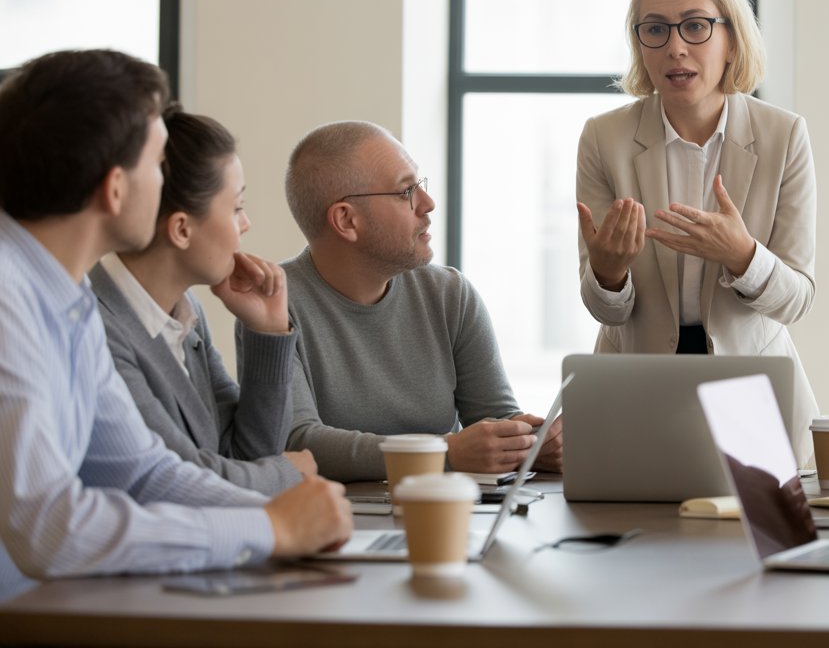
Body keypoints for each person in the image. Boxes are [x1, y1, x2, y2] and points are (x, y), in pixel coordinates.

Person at [0, 49, 350, 603]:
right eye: (156, 162)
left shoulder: (68, 301)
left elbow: (142, 472)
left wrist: (282, 515)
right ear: (115, 189)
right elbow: (51, 529)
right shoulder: (7, 299)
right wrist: (271, 528)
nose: (165, 184)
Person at [575, 0, 818, 464]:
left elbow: (795, 300)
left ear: (731, 40)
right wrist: (609, 271)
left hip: (753, 384)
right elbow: (604, 310)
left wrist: (742, 255)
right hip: (638, 382)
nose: (675, 47)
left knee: (756, 538)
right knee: (632, 534)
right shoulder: (605, 137)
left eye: (695, 26)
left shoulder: (783, 136)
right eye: (655, 30)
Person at [248, 120, 561, 481]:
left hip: (444, 512)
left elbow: (495, 418)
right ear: (346, 220)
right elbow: (299, 443)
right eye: (405, 192)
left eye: (419, 186)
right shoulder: (272, 305)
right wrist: (443, 453)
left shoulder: (450, 294)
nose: (428, 204)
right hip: (336, 524)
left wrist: (533, 441)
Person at [89, 105, 315, 495]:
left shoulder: (187, 314)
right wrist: (288, 472)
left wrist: (268, 330)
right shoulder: (97, 326)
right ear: (181, 229)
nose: (246, 224)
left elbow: (246, 455)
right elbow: (181, 478)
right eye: (237, 208)